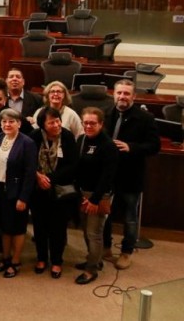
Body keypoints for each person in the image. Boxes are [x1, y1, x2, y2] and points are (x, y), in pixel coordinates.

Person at [103, 79, 160, 270]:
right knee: (105, 215)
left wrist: (131, 147)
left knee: (130, 217)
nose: (122, 97)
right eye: (119, 93)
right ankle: (105, 248)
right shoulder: (106, 113)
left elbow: (154, 146)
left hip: (131, 175)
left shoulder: (145, 118)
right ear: (114, 94)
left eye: (127, 94)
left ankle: (126, 252)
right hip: (109, 175)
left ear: (134, 96)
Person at [29, 106, 79, 279]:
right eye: (52, 122)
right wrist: (37, 176)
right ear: (43, 124)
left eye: (58, 120)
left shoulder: (67, 136)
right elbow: (27, 160)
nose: (57, 124)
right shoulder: (35, 136)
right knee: (39, 226)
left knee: (58, 227)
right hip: (38, 190)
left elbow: (73, 165)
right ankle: (41, 258)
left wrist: (49, 178)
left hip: (60, 190)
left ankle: (57, 261)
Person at [0, 108, 38, 278]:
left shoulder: (27, 143)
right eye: (4, 121)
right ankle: (5, 257)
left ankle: (16, 261)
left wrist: (23, 198)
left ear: (19, 123)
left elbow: (30, 173)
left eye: (11, 121)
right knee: (5, 227)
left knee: (17, 228)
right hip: (1, 191)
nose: (7, 124)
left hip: (17, 193)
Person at [74, 107, 118, 285]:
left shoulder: (108, 146)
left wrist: (94, 200)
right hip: (82, 193)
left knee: (94, 233)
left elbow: (107, 177)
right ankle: (95, 259)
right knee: (86, 231)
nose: (88, 126)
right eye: (85, 123)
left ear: (101, 124)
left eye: (93, 123)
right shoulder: (81, 139)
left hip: (98, 195)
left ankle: (91, 270)